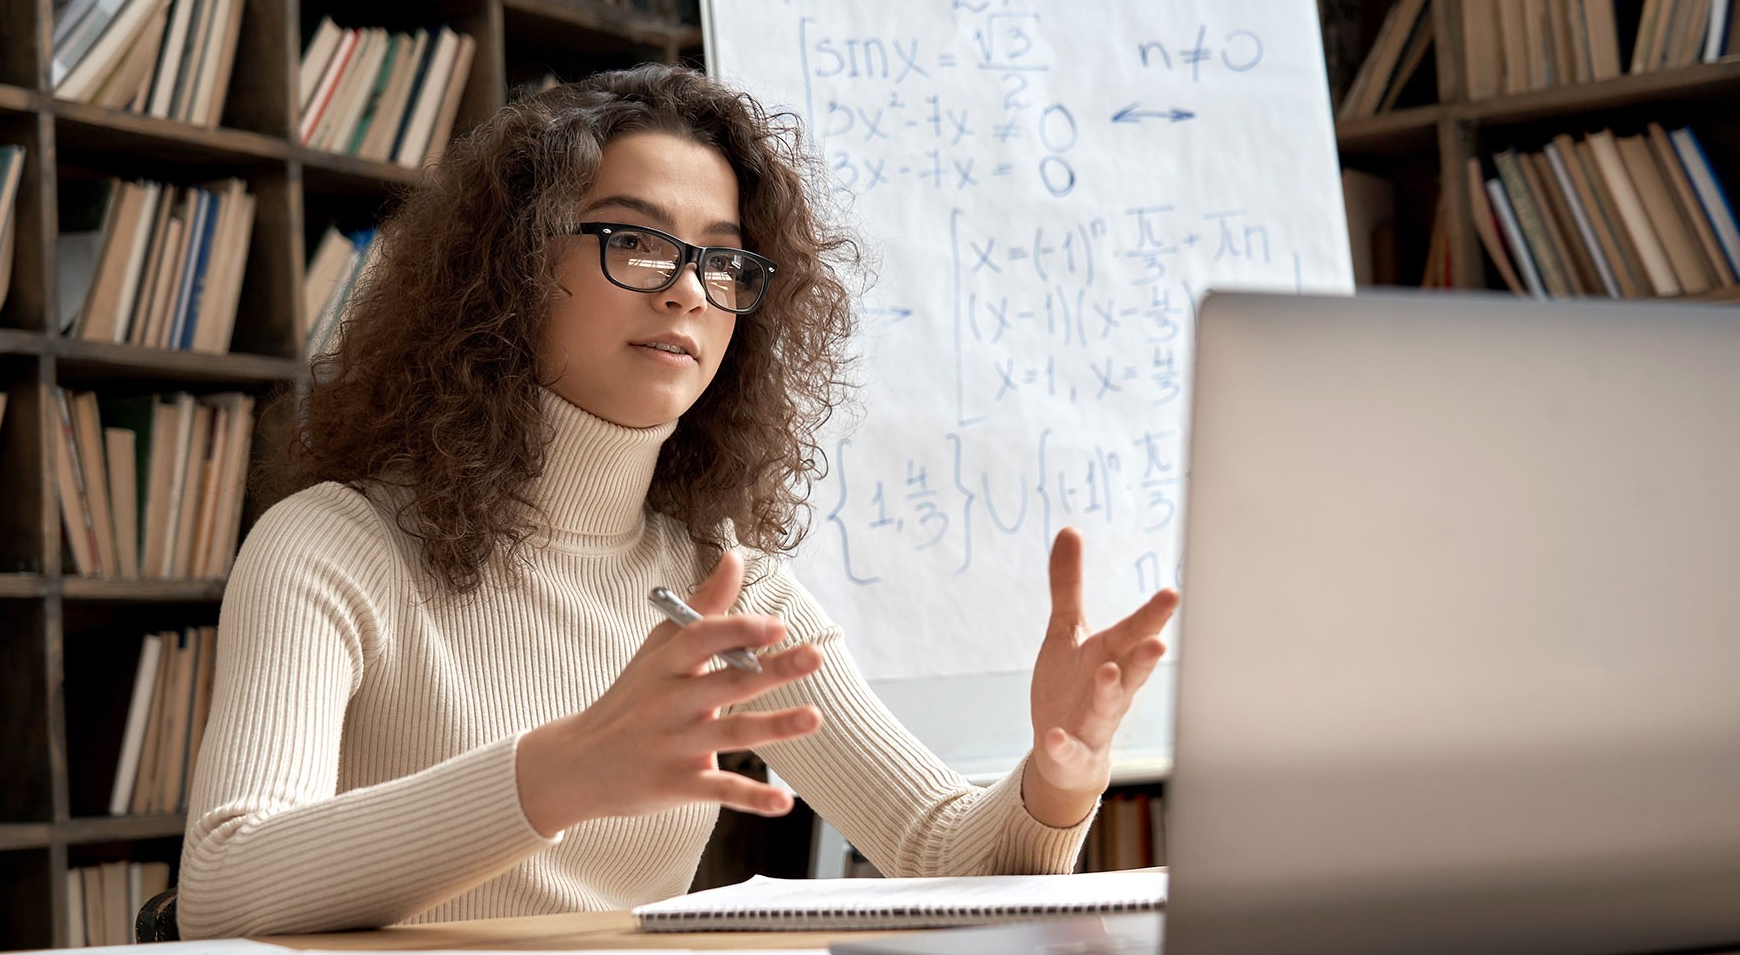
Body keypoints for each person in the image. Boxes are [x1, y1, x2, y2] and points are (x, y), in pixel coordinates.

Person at [177, 65, 1179, 938]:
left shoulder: (728, 588)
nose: (690, 292)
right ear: (515, 266)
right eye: (638, 241)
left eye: (724, 259)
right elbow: (224, 887)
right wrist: (555, 775)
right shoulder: (329, 547)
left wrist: (1060, 775)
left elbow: (942, 856)